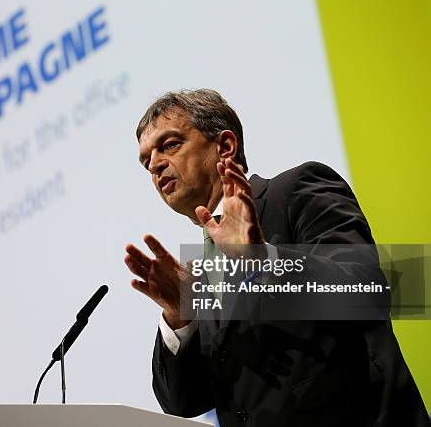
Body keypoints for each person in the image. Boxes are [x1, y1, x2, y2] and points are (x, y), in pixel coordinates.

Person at [124, 89, 429, 426]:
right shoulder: (200, 270)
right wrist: (179, 318)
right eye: (145, 160)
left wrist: (260, 261)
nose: (154, 165)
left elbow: (369, 290)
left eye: (169, 145)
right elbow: (184, 402)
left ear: (224, 146)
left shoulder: (296, 190)